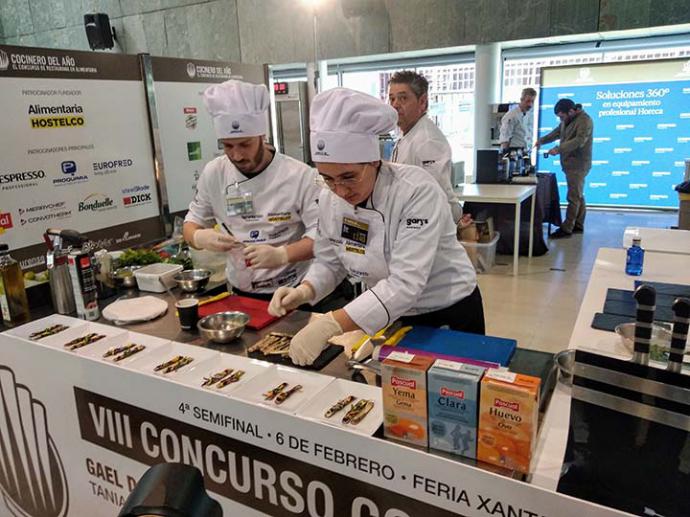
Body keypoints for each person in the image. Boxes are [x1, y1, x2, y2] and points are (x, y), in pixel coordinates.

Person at [268, 88, 484, 366]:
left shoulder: (415, 191)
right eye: (328, 178)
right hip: (390, 312)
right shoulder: (329, 198)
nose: (340, 191)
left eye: (349, 177)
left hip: (446, 309)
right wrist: (305, 290)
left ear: (374, 161)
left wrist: (330, 324)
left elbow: (405, 283)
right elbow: (331, 260)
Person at [183, 80, 320, 298]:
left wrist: (282, 254)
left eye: (245, 144)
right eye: (228, 146)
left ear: (262, 136)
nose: (236, 155)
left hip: (292, 291)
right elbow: (191, 224)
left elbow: (322, 236)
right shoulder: (214, 173)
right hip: (240, 292)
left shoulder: (300, 176)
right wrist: (200, 238)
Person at [388, 71, 462, 223]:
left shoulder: (427, 140)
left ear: (422, 102)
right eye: (392, 98)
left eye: (403, 98)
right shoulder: (407, 136)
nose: (395, 105)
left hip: (429, 226)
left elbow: (435, 197)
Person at [535, 98, 593, 239]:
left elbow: (579, 141)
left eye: (562, 116)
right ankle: (578, 224)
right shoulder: (568, 119)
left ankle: (567, 228)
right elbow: (556, 133)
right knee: (578, 194)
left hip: (578, 164)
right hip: (570, 164)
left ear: (571, 111)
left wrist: (559, 148)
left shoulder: (584, 120)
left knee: (573, 196)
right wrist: (541, 140)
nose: (561, 119)